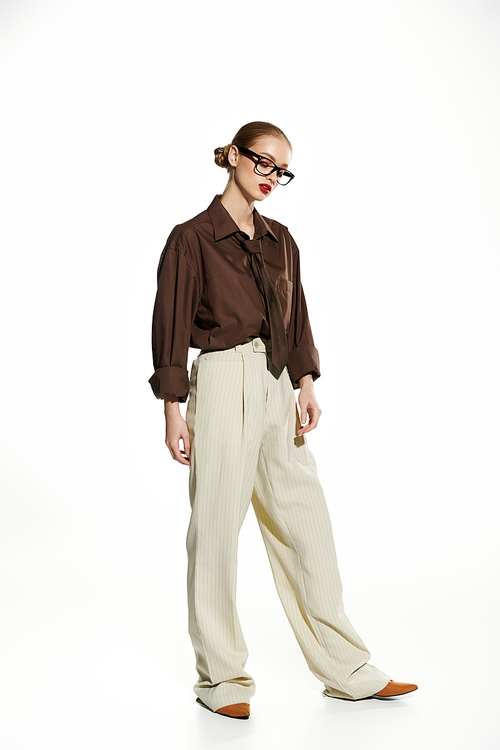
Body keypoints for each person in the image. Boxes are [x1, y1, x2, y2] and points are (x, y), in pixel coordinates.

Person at [148, 121, 417, 720]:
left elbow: (297, 315)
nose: (272, 178)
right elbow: (169, 326)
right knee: (215, 530)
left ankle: (347, 669)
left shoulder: (281, 239)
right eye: (263, 163)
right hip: (219, 382)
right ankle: (221, 682)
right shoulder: (192, 238)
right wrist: (173, 409)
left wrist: (305, 380)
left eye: (281, 171)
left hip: (276, 384)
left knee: (305, 524)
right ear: (235, 157)